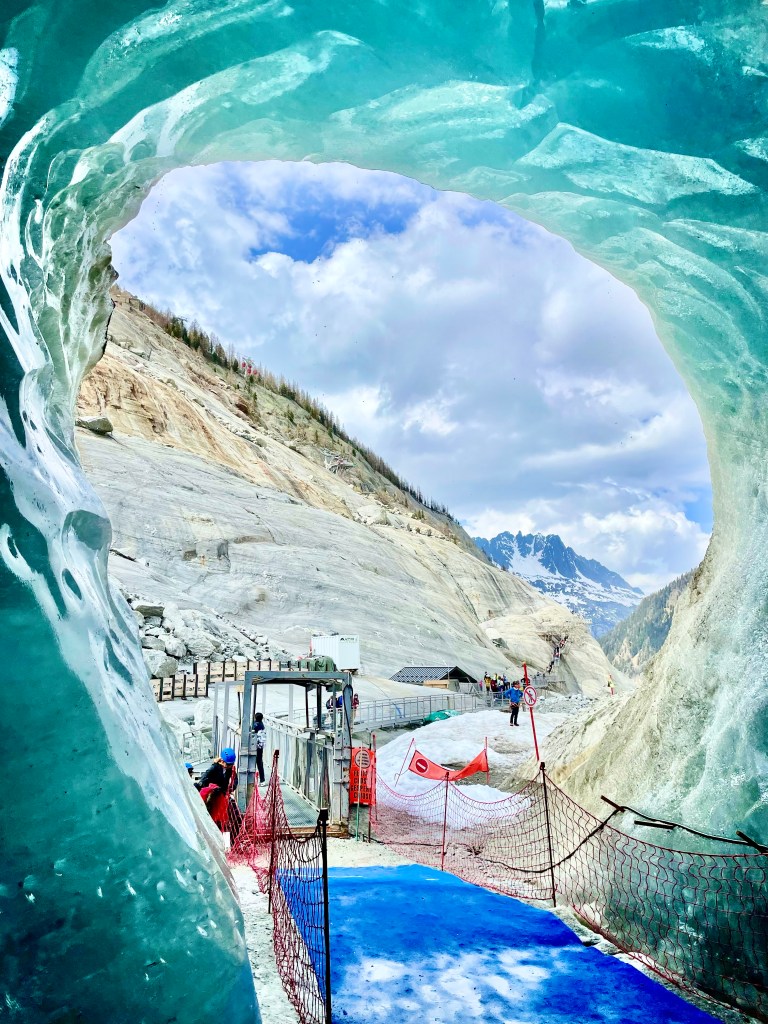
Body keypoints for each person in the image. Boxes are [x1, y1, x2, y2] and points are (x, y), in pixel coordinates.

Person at [195, 747, 237, 828]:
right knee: (211, 813)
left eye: (231, 764)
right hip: (212, 796)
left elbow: (235, 779)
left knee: (225, 814)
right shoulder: (214, 768)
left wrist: (232, 787)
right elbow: (204, 777)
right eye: (228, 764)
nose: (230, 766)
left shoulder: (229, 769)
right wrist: (200, 785)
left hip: (221, 794)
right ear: (222, 761)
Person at [252, 712, 266, 785]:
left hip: (254, 746)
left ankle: (252, 779)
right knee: (260, 762)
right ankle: (262, 780)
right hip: (260, 746)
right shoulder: (262, 725)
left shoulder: (255, 724)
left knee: (252, 761)